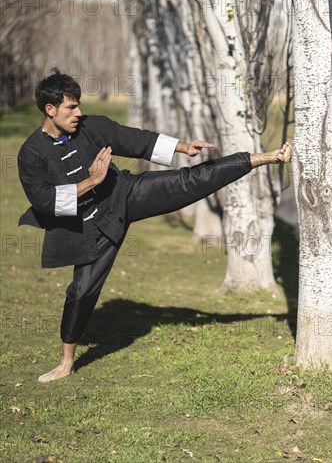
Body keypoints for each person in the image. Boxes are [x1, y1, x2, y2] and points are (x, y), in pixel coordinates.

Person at [18, 69, 292, 382]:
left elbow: (134, 139)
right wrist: (91, 181)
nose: (79, 113)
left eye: (79, 105)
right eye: (71, 108)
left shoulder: (91, 126)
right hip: (90, 229)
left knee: (189, 181)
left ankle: (263, 158)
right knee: (81, 291)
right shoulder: (31, 153)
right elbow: (44, 201)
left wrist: (182, 147)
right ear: (50, 110)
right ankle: (66, 362)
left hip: (123, 195)